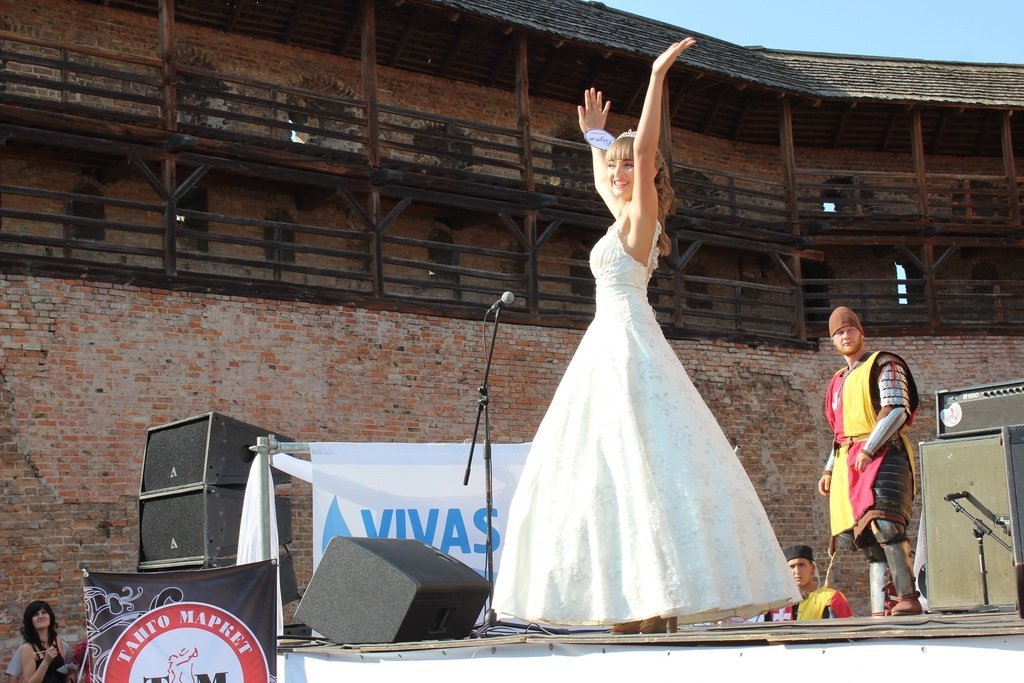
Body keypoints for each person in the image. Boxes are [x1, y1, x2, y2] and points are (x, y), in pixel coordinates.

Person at [490, 38, 800, 634]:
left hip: (629, 338)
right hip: (605, 342)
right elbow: (603, 180)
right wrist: (595, 140)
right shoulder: (620, 214)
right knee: (608, 464)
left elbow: (647, 147)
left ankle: (656, 604)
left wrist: (657, 77)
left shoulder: (642, 217)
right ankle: (626, 598)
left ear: (651, 171)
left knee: (645, 456)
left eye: (629, 165)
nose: (618, 173)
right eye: (616, 167)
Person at [818, 306, 923, 616]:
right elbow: (840, 433)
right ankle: (881, 607)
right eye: (838, 333)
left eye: (850, 330)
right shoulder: (837, 381)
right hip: (848, 461)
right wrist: (829, 469)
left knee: (886, 524)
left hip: (885, 452)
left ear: (861, 333)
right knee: (867, 539)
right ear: (833, 342)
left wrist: (869, 449)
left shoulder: (884, 363)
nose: (845, 336)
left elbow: (897, 410)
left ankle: (907, 597)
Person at [763, 545, 853, 620]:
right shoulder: (777, 603)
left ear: (812, 567)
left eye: (801, 565)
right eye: (792, 566)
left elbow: (841, 633)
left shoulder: (830, 598)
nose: (797, 571)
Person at [17, 600, 72, 683]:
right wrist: (46, 661)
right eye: (36, 614)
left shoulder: (57, 640)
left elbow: (61, 673)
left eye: (44, 612)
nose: (41, 616)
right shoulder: (28, 648)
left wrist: (69, 674)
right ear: (30, 620)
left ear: (50, 616)